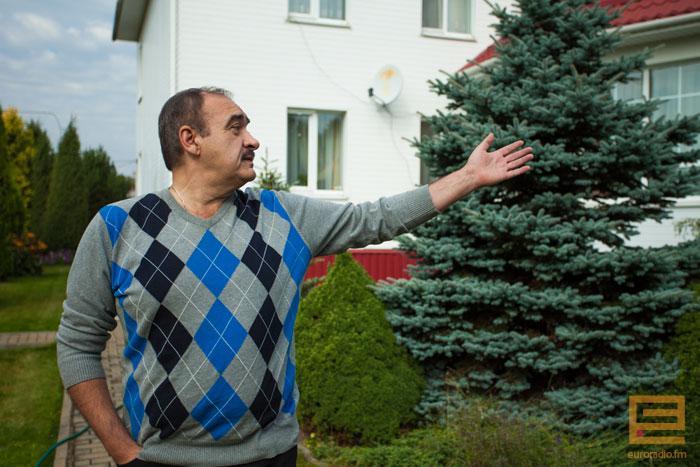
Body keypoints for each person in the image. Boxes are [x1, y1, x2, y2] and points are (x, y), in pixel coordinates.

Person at [56, 86, 533, 467]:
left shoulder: (283, 217)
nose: (253, 139)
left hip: (270, 457)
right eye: (236, 126)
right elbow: (77, 344)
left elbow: (377, 218)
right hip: (161, 460)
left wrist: (466, 178)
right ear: (190, 140)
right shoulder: (119, 228)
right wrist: (122, 451)